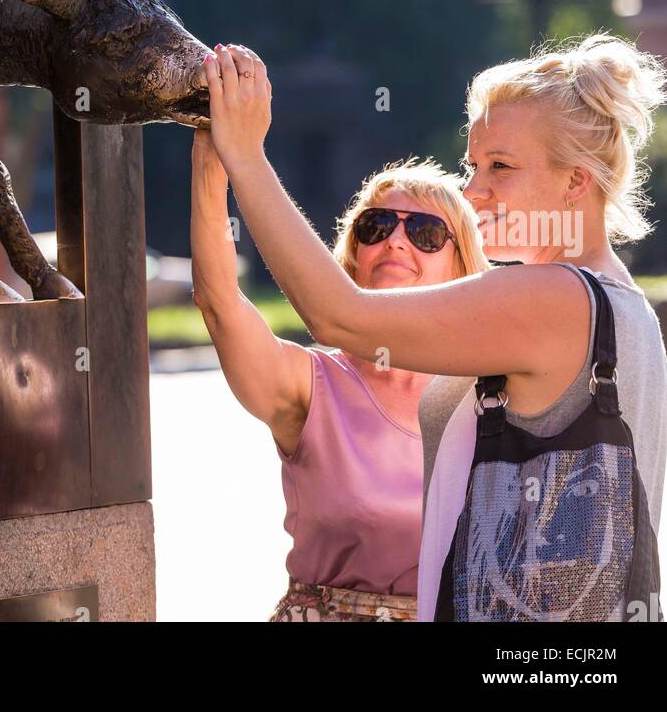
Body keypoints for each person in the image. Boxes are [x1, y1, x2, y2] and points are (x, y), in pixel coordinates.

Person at [199, 33, 667, 622]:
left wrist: (244, 155)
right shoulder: (626, 308)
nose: (472, 191)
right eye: (473, 165)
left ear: (576, 182)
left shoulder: (553, 296)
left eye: (501, 166)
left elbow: (338, 315)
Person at [191, 133, 488, 621]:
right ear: (353, 256)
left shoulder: (494, 396)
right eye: (376, 226)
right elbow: (219, 301)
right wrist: (211, 152)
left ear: (461, 268)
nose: (394, 239)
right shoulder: (312, 385)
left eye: (426, 233)